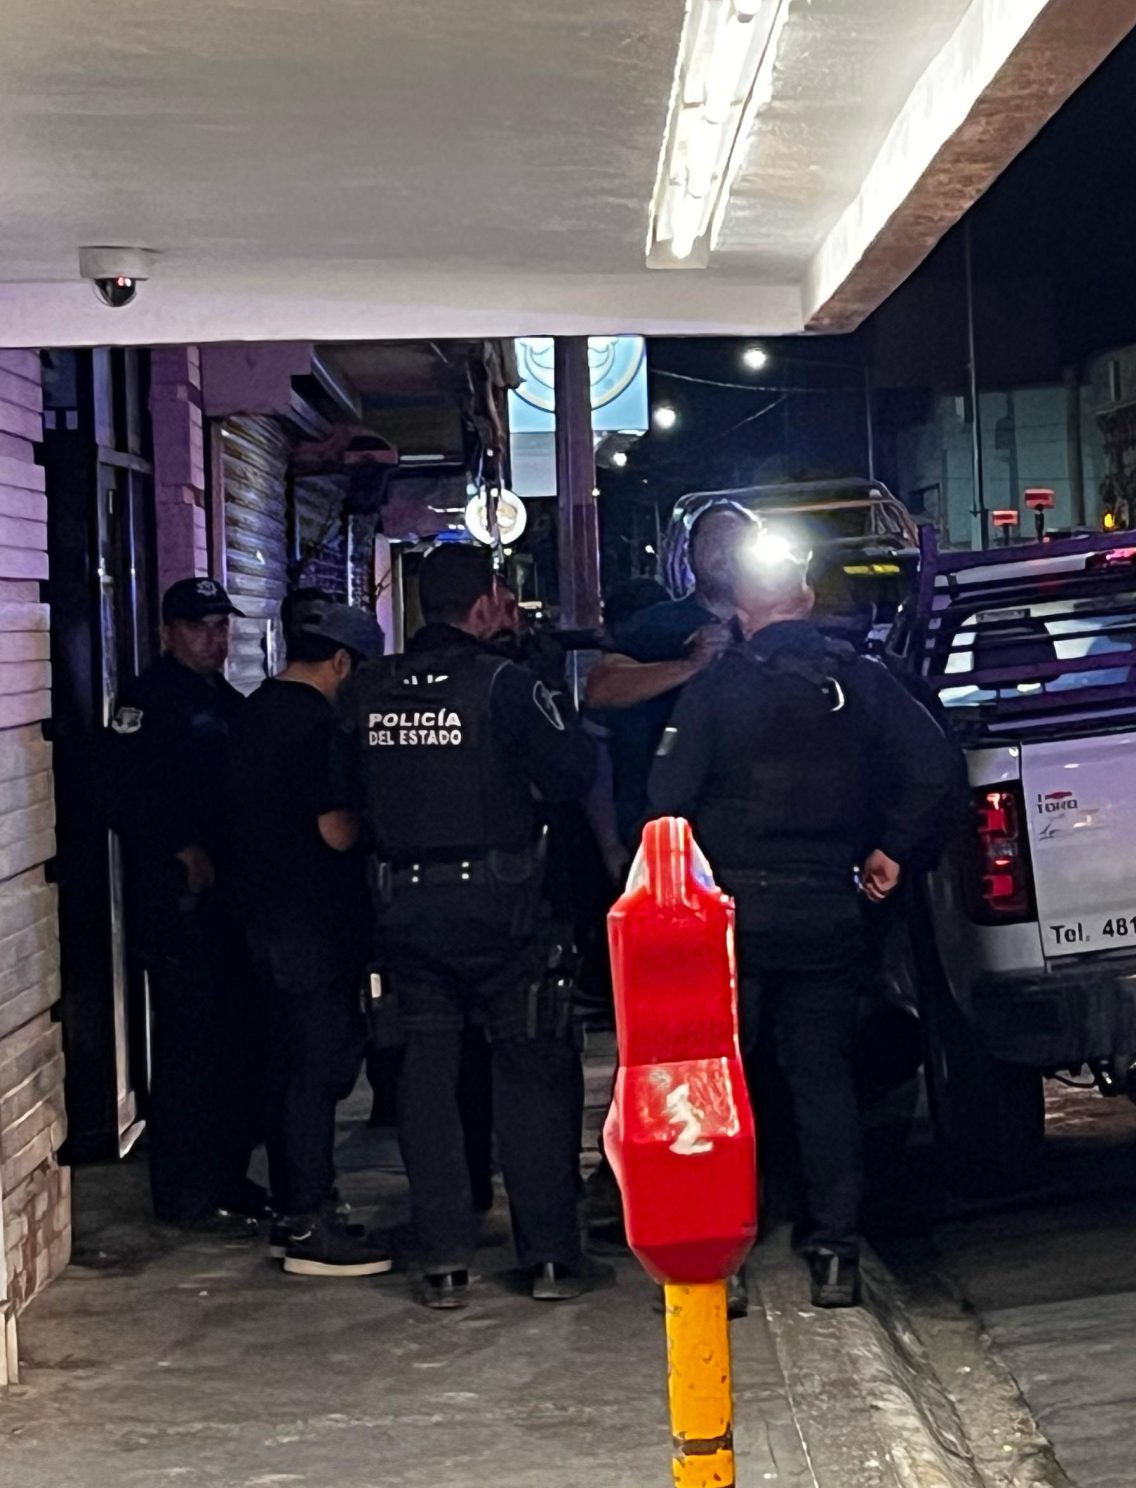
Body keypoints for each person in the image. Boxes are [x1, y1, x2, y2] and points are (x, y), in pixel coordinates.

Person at [648, 539, 962, 1309]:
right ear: (808, 599)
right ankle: (834, 1255)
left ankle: (723, 1259)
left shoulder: (717, 687)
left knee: (721, 1084)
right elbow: (936, 769)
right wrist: (893, 850)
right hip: (827, 906)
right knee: (823, 1078)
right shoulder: (862, 681)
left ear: (740, 609)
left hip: (730, 918)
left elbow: (664, 801)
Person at [347, 544, 595, 1308]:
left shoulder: (366, 689)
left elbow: (342, 798)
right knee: (531, 1074)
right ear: (485, 605)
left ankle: (445, 1262)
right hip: (503, 911)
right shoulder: (504, 685)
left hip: (404, 912)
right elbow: (572, 774)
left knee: (425, 1082)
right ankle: (548, 1257)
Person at [223, 600, 394, 1278]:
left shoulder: (250, 712)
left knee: (285, 1063)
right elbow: (336, 831)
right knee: (315, 1072)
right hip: (314, 921)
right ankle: (309, 1220)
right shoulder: (321, 726)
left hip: (258, 914)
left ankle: (290, 1209)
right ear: (344, 663)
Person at [103, 577, 265, 1228]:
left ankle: (228, 1179)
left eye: (222, 627)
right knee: (188, 1052)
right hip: (177, 903)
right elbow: (118, 793)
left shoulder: (225, 699)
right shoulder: (147, 701)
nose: (214, 639)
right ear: (167, 633)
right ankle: (185, 1194)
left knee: (234, 1042)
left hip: (229, 901)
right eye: (200, 627)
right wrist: (178, 849)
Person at [586, 501, 755, 852]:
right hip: (660, 835)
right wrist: (691, 664)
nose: (727, 553)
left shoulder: (776, 627)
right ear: (689, 555)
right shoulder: (653, 626)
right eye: (715, 541)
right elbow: (601, 690)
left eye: (738, 542)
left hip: (753, 835)